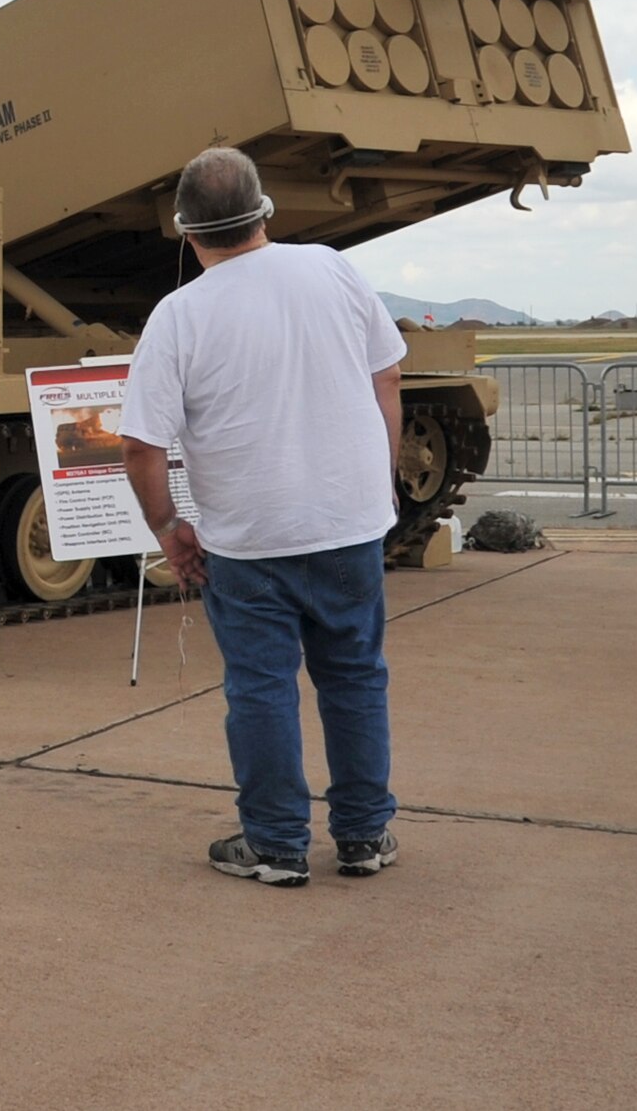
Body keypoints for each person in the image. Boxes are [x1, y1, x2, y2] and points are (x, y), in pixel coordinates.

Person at [117, 147, 407, 888]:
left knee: (261, 685)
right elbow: (388, 378)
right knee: (353, 676)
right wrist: (379, 484)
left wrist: (167, 526)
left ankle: (277, 843)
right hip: (350, 524)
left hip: (248, 538)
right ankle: (365, 834)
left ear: (187, 233)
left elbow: (142, 441)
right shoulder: (333, 269)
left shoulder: (180, 314)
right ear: (266, 211)